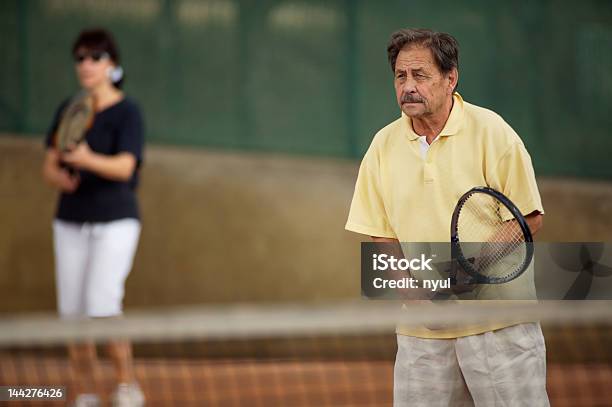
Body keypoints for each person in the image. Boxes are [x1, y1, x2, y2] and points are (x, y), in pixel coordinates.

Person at [345, 28, 548, 406]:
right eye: (400, 76)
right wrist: (412, 293)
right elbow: (381, 233)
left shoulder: (493, 132)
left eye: (420, 75)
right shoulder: (382, 146)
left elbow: (528, 218)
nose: (408, 86)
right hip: (421, 336)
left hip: (499, 326)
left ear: (450, 78)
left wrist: (469, 270)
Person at [42, 28, 145, 407]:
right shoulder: (69, 110)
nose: (86, 64)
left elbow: (125, 167)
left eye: (96, 57)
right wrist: (62, 178)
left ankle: (126, 386)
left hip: (116, 220)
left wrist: (87, 160)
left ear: (112, 65)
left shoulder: (128, 112)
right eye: (81, 58)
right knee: (72, 313)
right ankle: (84, 394)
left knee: (103, 305)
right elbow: (49, 167)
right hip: (69, 220)